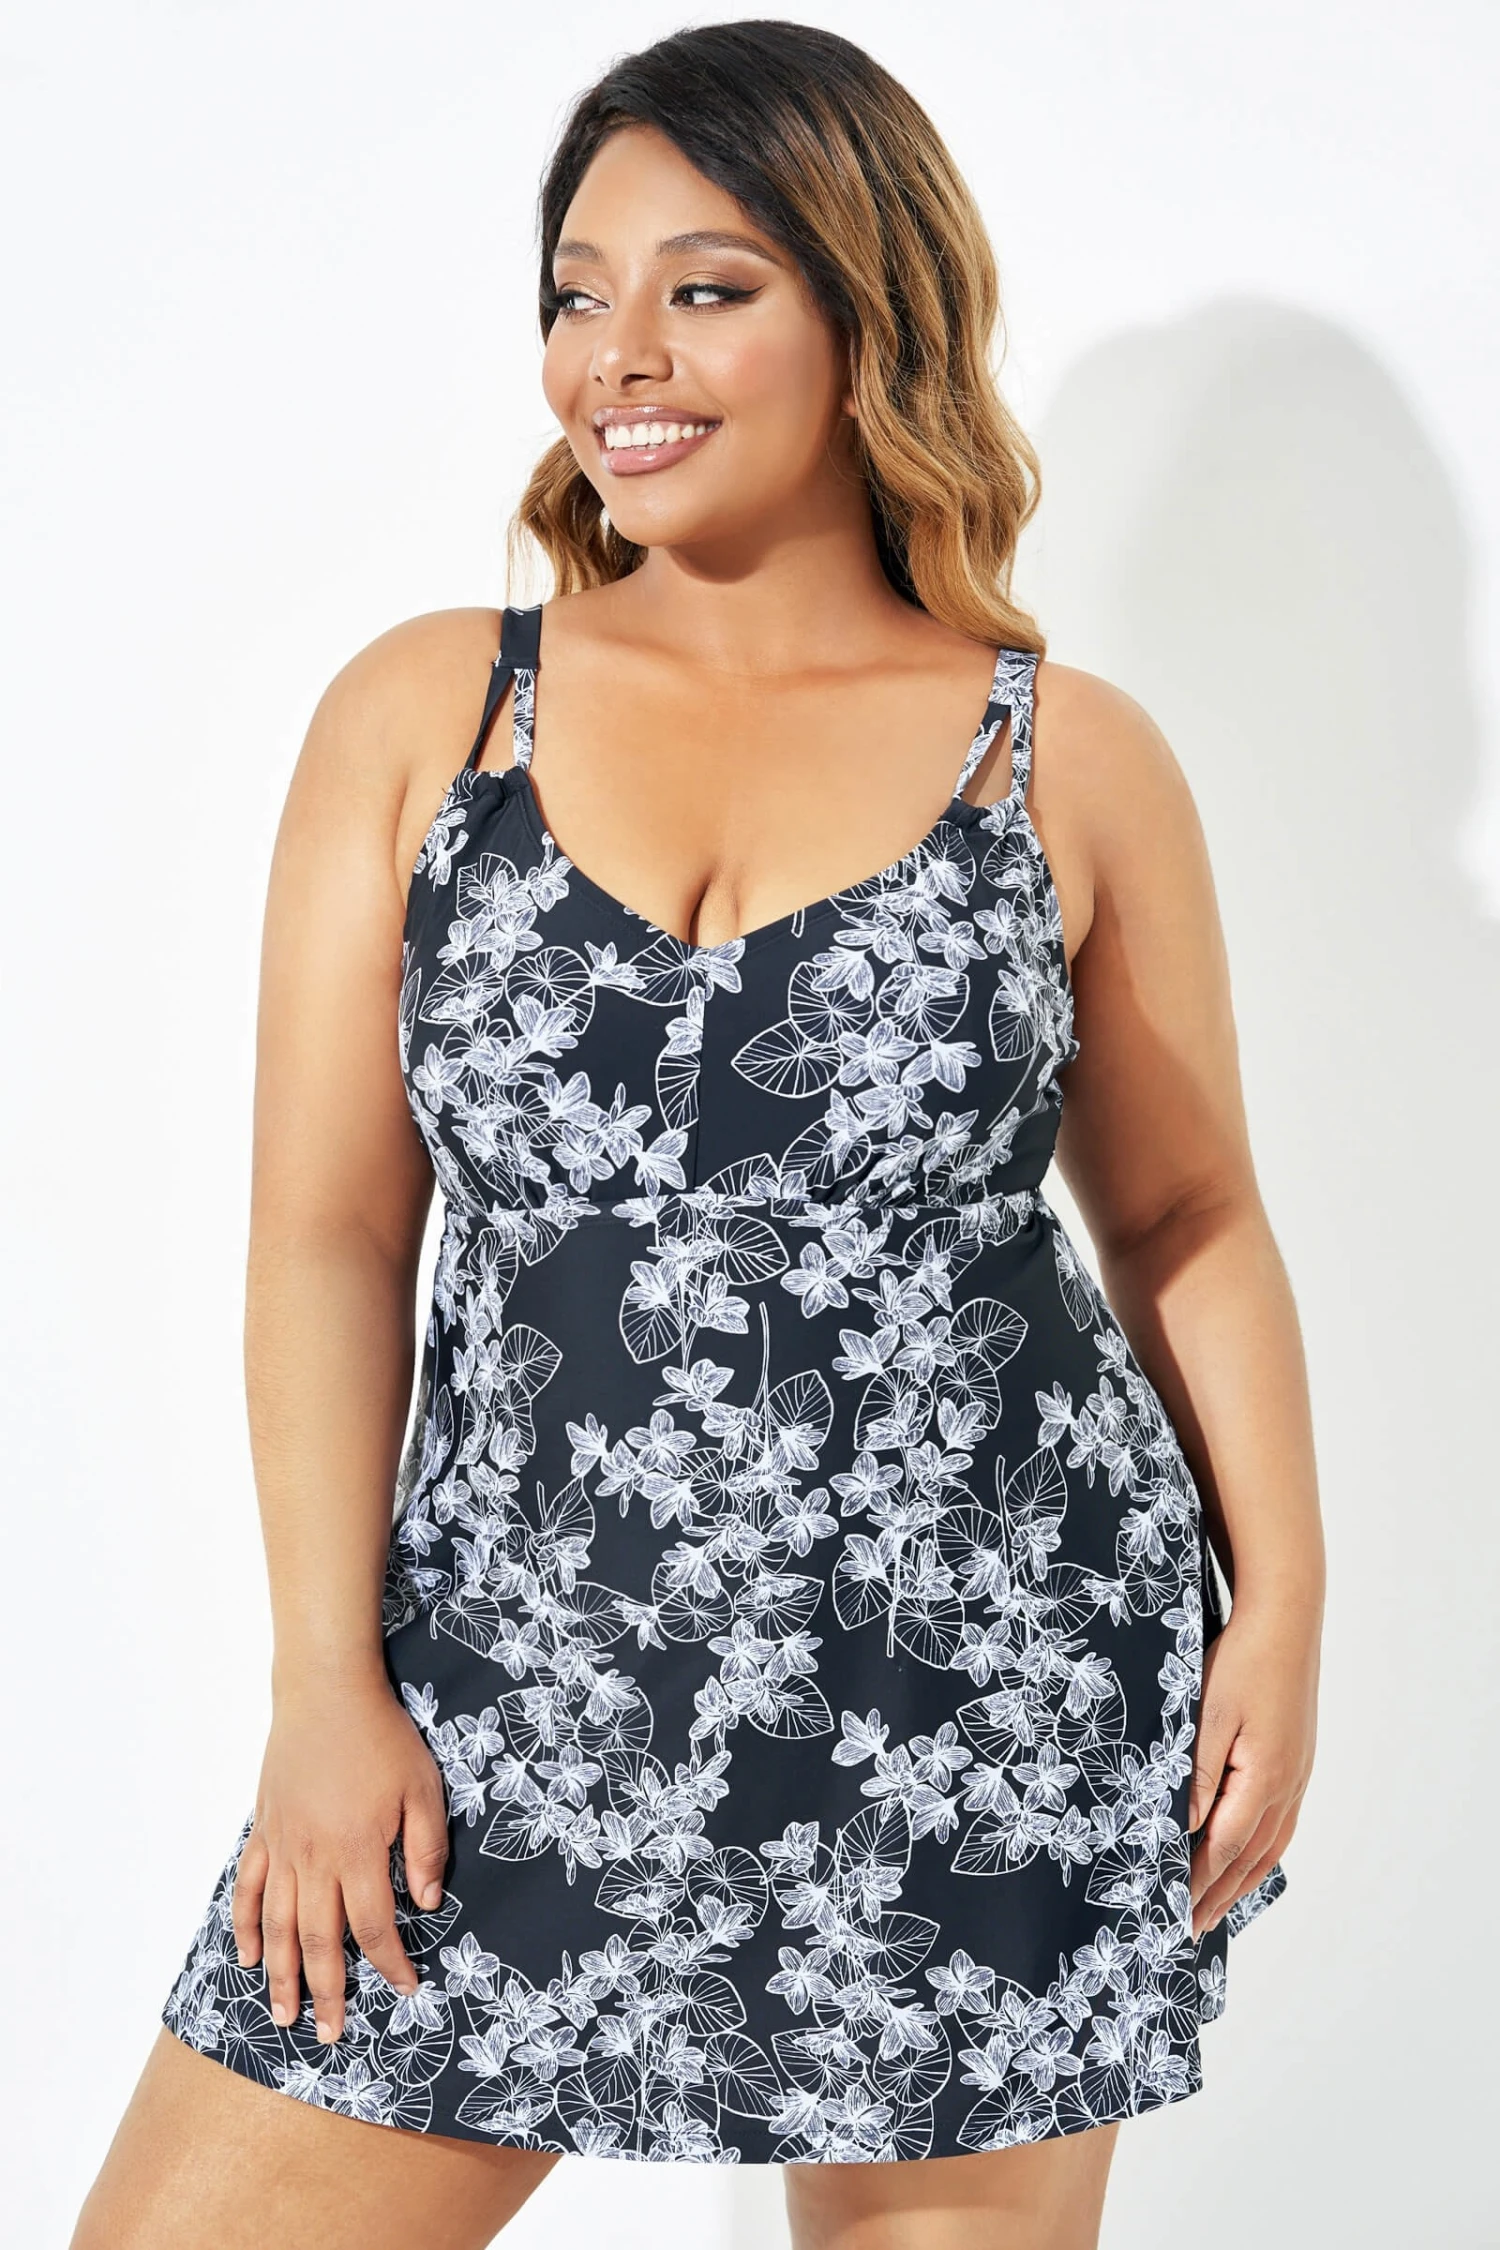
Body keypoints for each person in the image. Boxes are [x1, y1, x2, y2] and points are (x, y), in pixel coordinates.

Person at [71, 22, 1324, 2250]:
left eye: (705, 288)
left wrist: (1287, 1605)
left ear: (870, 314)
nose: (615, 354)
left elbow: (1187, 1209)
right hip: (512, 1689)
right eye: (577, 293)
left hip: (985, 1693)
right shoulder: (432, 712)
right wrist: (323, 1684)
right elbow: (327, 1235)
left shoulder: (1067, 762)